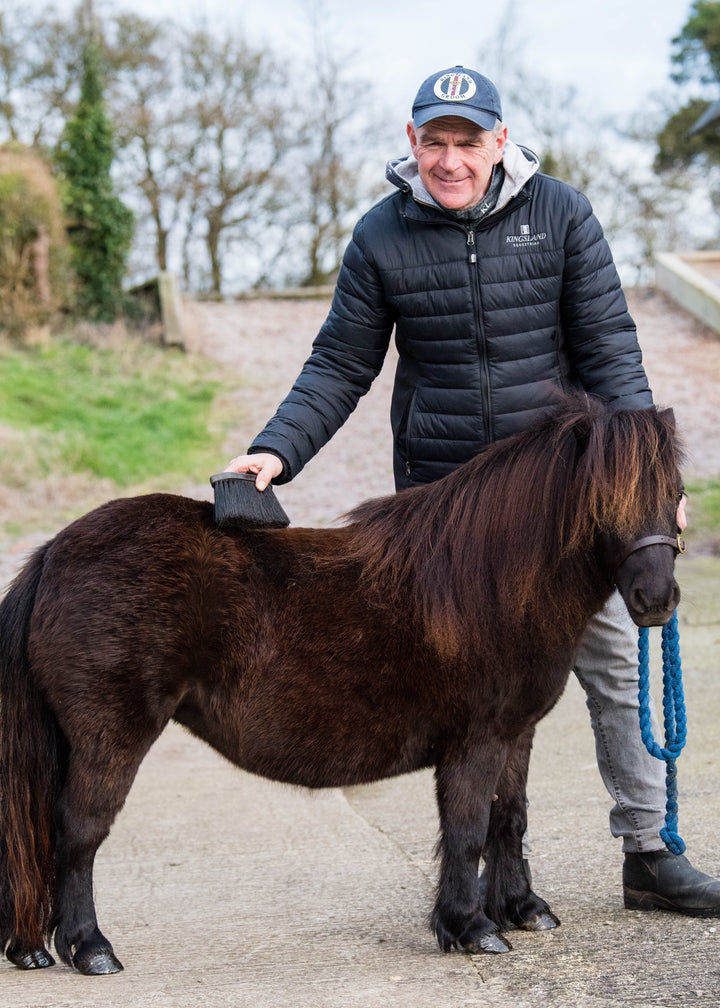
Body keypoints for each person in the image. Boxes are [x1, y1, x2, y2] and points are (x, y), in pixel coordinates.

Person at [226, 65, 720, 917]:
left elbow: (610, 349)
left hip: (564, 503)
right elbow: (341, 364)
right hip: (444, 508)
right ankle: (485, 872)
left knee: (613, 664)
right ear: (412, 142)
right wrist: (275, 452)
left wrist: (650, 485)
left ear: (499, 142)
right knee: (464, 691)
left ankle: (650, 850)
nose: (450, 159)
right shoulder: (380, 235)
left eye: (468, 141)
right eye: (435, 141)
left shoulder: (561, 214)